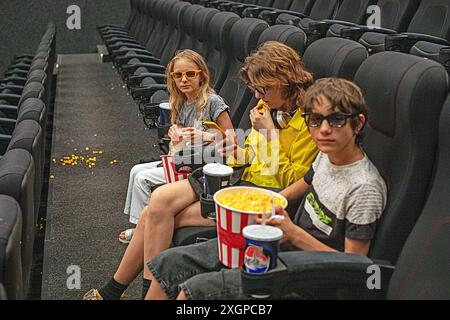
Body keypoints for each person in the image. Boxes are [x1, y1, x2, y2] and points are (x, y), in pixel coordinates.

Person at [83, 41, 318, 300]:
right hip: (239, 179)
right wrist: (226, 145)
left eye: (264, 88)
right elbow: (248, 156)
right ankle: (118, 291)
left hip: (263, 197)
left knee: (154, 214)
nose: (259, 96)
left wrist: (270, 134)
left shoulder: (310, 122)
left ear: (286, 79)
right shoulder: (268, 110)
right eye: (255, 89)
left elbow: (296, 181)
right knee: (157, 204)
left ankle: (128, 292)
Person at [144, 77, 388, 300]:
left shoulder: (364, 188)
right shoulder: (327, 156)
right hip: (280, 245)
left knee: (192, 292)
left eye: (335, 119)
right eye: (315, 120)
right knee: (165, 265)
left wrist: (293, 233)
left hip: (307, 275)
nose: (323, 129)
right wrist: (264, 205)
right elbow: (303, 184)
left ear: (357, 124)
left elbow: (355, 265)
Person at [119, 49, 233, 243]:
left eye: (190, 74)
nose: (184, 80)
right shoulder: (180, 102)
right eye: (178, 75)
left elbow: (232, 140)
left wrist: (204, 135)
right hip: (184, 158)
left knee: (143, 178)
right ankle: (142, 225)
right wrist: (175, 138)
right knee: (135, 170)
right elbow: (178, 144)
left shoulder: (213, 102)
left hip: (205, 164)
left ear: (201, 76)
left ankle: (144, 230)